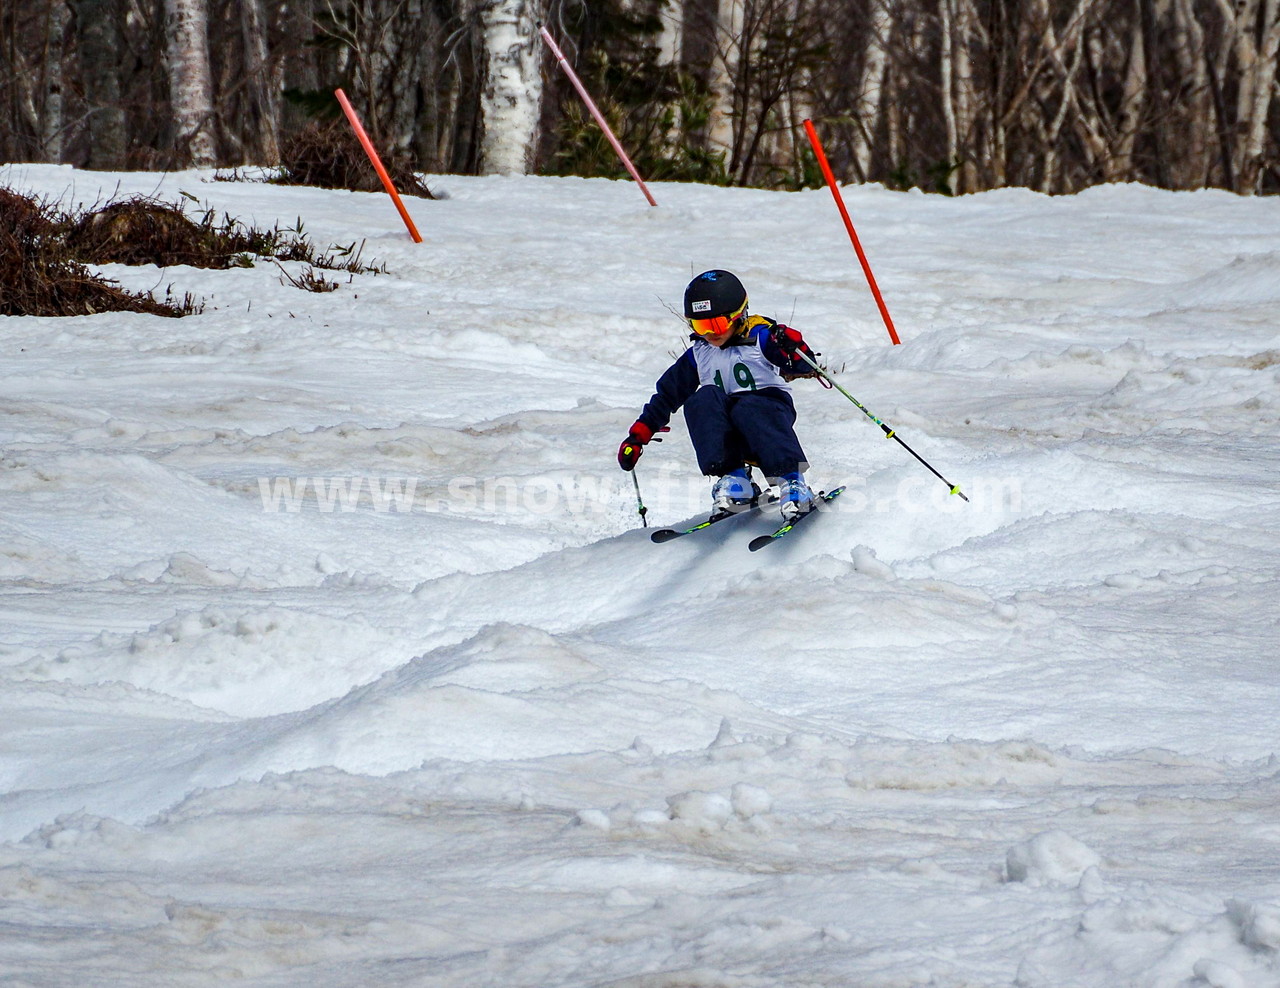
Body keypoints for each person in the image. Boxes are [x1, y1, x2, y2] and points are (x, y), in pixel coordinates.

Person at [617, 269, 822, 521]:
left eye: (717, 324)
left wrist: (793, 346)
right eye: (701, 326)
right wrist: (639, 436)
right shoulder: (700, 353)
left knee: (748, 405)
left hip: (769, 418)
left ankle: (793, 483)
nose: (710, 333)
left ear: (739, 315)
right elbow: (667, 395)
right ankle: (736, 481)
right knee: (700, 400)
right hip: (728, 431)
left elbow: (804, 365)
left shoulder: (761, 338)